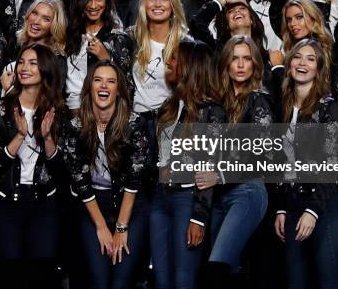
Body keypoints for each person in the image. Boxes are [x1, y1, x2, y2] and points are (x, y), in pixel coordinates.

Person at [0, 43, 66, 288]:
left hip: (44, 203)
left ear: (46, 69)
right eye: (21, 62)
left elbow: (65, 171)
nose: (24, 68)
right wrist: (19, 137)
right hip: (5, 202)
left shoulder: (58, 111)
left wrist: (48, 139)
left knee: (41, 275)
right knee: (10, 274)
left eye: (32, 63)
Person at [65, 61, 150, 289]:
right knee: (99, 282)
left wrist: (121, 228)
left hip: (130, 209)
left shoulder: (135, 125)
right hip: (93, 207)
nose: (104, 85)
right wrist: (102, 227)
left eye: (111, 81)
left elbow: (134, 180)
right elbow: (80, 182)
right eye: (98, 80)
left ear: (119, 90)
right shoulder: (74, 126)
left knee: (121, 282)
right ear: (89, 87)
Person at [151, 41, 225, 289]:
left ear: (190, 66)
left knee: (184, 280)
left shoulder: (212, 111)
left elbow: (210, 168)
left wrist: (199, 217)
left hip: (187, 199)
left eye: (174, 58)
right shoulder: (168, 106)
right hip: (160, 199)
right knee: (161, 279)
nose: (168, 63)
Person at [274, 39, 338, 289]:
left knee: (327, 281)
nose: (302, 63)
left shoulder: (330, 108)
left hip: (323, 205)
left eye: (310, 58)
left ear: (319, 68)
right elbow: (282, 164)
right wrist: (281, 208)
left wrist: (312, 211)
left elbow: (332, 163)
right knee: (295, 282)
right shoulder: (282, 107)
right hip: (292, 205)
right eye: (297, 57)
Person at [207, 36, 272, 286]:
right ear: (226, 63)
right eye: (235, 58)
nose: (241, 64)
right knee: (229, 270)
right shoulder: (218, 101)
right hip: (219, 195)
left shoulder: (259, 100)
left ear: (255, 64)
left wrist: (221, 174)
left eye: (247, 58)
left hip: (248, 191)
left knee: (218, 266)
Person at [65, 0, 133, 113]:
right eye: (88, 0)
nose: (93, 5)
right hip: (67, 115)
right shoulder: (67, 35)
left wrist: (106, 58)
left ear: (107, 1)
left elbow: (128, 87)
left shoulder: (118, 39)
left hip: (98, 114)